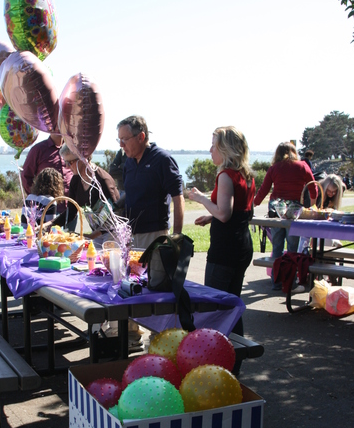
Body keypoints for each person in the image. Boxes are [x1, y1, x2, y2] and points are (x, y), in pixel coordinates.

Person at [188, 126, 255, 341]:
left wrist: (201, 199)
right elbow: (243, 213)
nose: (210, 150)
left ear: (226, 149)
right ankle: (239, 351)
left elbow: (224, 214)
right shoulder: (247, 176)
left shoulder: (226, 176)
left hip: (225, 251)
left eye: (214, 146)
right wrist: (211, 217)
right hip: (242, 246)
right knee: (233, 304)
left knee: (215, 306)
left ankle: (216, 351)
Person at [254, 142, 317, 290]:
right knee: (292, 248)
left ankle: (276, 281)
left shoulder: (274, 168)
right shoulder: (302, 166)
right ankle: (290, 282)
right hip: (294, 210)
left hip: (276, 208)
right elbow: (313, 187)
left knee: (277, 247)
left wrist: (253, 204)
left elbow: (264, 190)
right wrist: (312, 205)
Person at [116, 115, 184, 249]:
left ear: (141, 137)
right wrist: (114, 206)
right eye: (119, 139)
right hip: (130, 235)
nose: (121, 145)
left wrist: (176, 236)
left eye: (125, 139)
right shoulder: (129, 162)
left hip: (154, 235)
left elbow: (178, 197)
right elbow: (131, 193)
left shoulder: (162, 159)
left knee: (154, 265)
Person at [51, 145, 120, 242]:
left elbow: (115, 213)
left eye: (70, 162)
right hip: (96, 233)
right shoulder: (76, 180)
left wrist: (91, 236)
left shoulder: (102, 180)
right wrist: (50, 224)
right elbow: (71, 211)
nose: (67, 166)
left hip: (113, 233)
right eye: (65, 162)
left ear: (83, 159)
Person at [21, 133, 72, 202]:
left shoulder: (72, 147)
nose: (58, 128)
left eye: (60, 126)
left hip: (72, 204)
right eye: (55, 126)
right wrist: (36, 198)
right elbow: (26, 176)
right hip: (47, 205)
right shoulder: (38, 149)